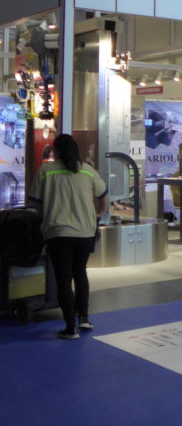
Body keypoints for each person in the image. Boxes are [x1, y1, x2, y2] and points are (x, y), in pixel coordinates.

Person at [27, 134, 108, 340]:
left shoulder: (46, 171)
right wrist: (99, 212)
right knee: (80, 273)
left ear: (55, 151)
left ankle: (70, 328)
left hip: (58, 232)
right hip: (85, 231)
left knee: (63, 279)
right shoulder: (87, 170)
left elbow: (35, 201)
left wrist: (46, 212)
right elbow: (103, 194)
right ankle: (84, 318)